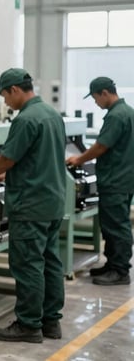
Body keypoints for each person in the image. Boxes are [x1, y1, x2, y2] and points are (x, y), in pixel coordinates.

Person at [0, 68, 66, 343]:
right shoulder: (51, 115)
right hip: (52, 202)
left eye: (4, 95)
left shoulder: (25, 119)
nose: (5, 102)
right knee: (49, 263)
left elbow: (6, 159)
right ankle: (50, 322)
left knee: (28, 265)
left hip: (31, 205)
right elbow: (38, 158)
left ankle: (28, 324)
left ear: (14, 90)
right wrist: (8, 174)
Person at [67, 77, 134, 286]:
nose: (95, 102)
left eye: (95, 98)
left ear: (105, 93)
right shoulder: (128, 112)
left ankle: (120, 270)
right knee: (113, 224)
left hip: (116, 180)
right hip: (124, 177)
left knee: (116, 226)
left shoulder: (116, 116)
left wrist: (78, 159)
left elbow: (101, 146)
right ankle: (112, 264)